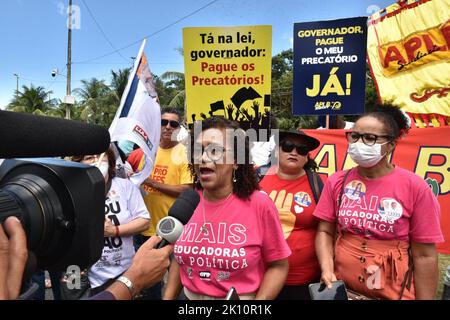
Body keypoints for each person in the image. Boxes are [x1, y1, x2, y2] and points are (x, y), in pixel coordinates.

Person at [314, 105, 444, 300]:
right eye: (355, 136)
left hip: (393, 293)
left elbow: (424, 255)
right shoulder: (337, 181)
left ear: (391, 145)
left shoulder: (416, 187)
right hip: (342, 290)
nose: (359, 143)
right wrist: (327, 268)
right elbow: (325, 231)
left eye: (370, 138)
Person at [163, 116, 291, 300]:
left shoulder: (259, 204)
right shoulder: (188, 201)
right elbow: (179, 258)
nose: (204, 157)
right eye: (198, 150)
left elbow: (279, 266)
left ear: (236, 161)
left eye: (214, 150)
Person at [72, 146, 151, 296]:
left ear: (110, 160)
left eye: (100, 156)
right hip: (92, 278)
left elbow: (144, 221)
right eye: (89, 158)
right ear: (80, 163)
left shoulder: (125, 187)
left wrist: (114, 231)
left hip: (126, 271)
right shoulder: (75, 191)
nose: (96, 161)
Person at [133, 107, 193, 299]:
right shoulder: (146, 151)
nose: (167, 127)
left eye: (173, 124)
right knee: (149, 283)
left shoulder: (184, 154)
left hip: (172, 231)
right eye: (163, 122)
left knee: (175, 283)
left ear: (178, 128)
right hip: (144, 227)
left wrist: (152, 183)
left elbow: (187, 189)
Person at [259, 130, 323, 299]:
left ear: (307, 156)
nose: (294, 152)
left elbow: (327, 231)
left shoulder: (318, 184)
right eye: (288, 146)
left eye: (301, 150)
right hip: (260, 277)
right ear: (277, 150)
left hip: (304, 282)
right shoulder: (257, 177)